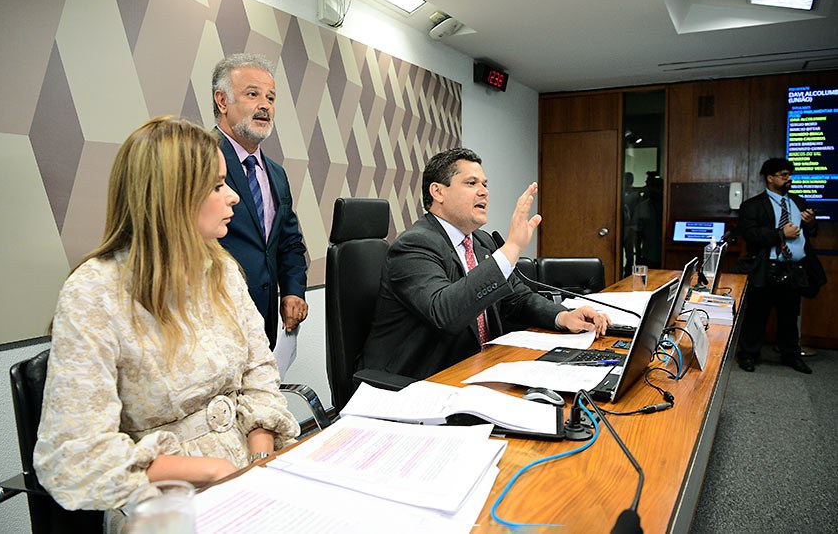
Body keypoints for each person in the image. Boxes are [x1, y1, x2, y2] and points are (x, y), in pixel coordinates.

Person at [34, 117, 300, 517]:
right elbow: (76, 458)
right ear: (172, 196)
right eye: (216, 186)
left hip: (246, 471)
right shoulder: (94, 292)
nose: (233, 198)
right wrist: (211, 470)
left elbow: (259, 372)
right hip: (162, 500)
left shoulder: (223, 271)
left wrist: (259, 455)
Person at [362, 148, 611, 379]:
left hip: (479, 368)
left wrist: (563, 317)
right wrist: (511, 248)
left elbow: (517, 298)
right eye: (471, 183)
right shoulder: (414, 245)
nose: (484, 191)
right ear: (438, 192)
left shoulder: (480, 241)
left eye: (485, 184)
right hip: (421, 381)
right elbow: (445, 313)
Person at [211, 53, 308, 347]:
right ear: (222, 101)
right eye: (252, 94)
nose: (265, 105)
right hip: (215, 320)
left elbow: (288, 241)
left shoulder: (276, 173)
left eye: (270, 98)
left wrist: (293, 290)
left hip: (263, 323)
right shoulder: (197, 158)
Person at [734, 157, 824, 374]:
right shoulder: (753, 205)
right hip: (766, 268)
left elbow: (811, 231)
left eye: (789, 175)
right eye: (784, 175)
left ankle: (791, 355)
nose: (789, 179)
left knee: (789, 316)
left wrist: (811, 224)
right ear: (770, 178)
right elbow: (750, 234)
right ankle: (748, 355)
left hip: (794, 269)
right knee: (757, 315)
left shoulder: (798, 202)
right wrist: (779, 234)